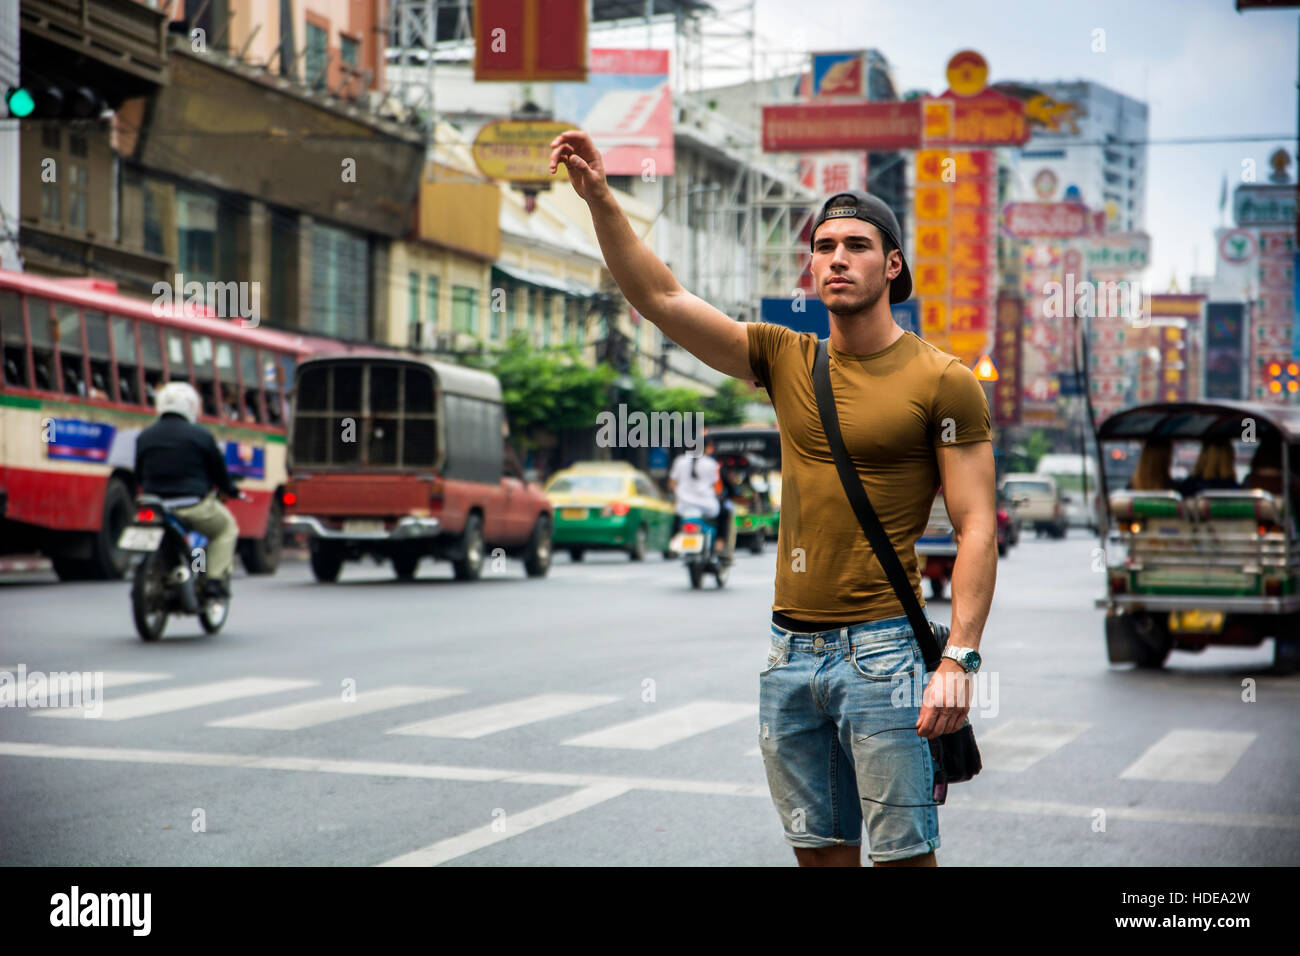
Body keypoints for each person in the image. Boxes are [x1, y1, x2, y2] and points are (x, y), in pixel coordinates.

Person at [551, 133, 995, 867]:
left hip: (883, 652)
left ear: (892, 266)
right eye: (824, 246)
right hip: (789, 653)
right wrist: (601, 199)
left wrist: (960, 659)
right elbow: (660, 298)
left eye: (856, 244)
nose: (837, 257)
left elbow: (977, 524)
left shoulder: (943, 380)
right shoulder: (786, 357)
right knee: (819, 858)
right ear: (811, 265)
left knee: (903, 861)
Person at [134, 381, 242, 598]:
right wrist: (231, 489)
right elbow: (220, 473)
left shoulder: (144, 436)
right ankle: (212, 580)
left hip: (154, 506)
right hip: (193, 507)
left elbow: (138, 474)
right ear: (191, 406)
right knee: (226, 529)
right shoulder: (201, 436)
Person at [667, 437, 730, 557]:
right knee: (725, 513)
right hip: (708, 507)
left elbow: (672, 484)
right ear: (706, 448)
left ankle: (673, 541)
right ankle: (719, 543)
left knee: (676, 516)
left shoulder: (679, 461)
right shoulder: (712, 464)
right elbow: (718, 488)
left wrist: (679, 495)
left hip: (684, 506)